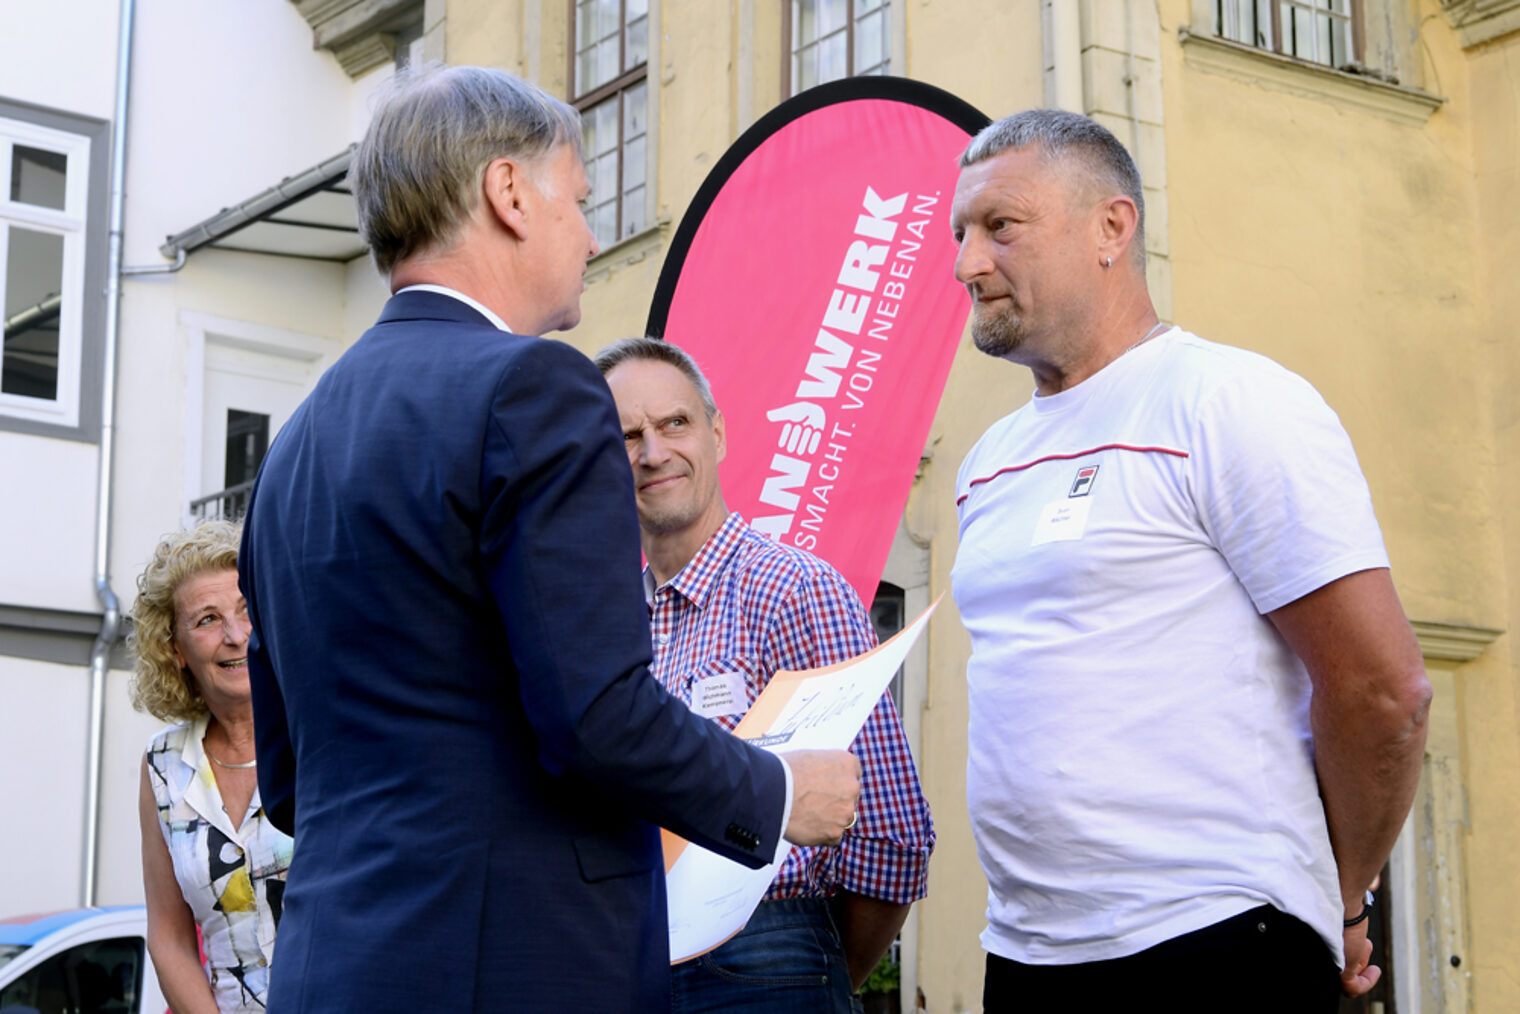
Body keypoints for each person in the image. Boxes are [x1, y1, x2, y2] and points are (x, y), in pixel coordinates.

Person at [237, 65, 860, 1014]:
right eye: (579, 196)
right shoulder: (534, 386)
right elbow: (597, 716)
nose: (592, 233)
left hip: (333, 967)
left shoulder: (294, 446)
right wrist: (776, 795)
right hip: (517, 967)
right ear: (510, 194)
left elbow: (287, 778)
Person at [947, 109, 1432, 1012]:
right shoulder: (987, 464)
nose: (968, 262)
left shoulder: (1229, 402)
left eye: (1000, 226)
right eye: (961, 233)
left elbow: (1381, 691)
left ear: (1111, 228)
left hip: (1215, 936)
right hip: (1026, 952)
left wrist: (1345, 893)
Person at [595, 337, 936, 1013]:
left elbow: (894, 835)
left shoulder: (795, 591)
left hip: (766, 960)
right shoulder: (601, 625)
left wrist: (807, 970)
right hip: (625, 963)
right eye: (627, 434)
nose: (652, 451)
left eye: (674, 424)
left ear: (716, 435)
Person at [129, 520, 292, 1014]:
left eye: (247, 611)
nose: (235, 635)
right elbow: (170, 939)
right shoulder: (163, 765)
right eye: (207, 620)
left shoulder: (317, 735)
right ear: (175, 650)